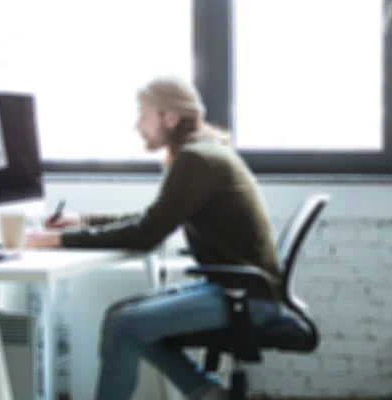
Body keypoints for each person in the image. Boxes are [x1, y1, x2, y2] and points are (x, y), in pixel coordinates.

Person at [25, 76, 282, 400]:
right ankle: (207, 393)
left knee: (124, 325)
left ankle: (205, 392)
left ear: (170, 118)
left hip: (247, 297)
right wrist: (82, 221)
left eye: (143, 116)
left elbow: (147, 234)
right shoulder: (202, 152)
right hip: (239, 288)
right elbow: (153, 220)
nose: (137, 126)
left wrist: (61, 241)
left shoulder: (196, 159)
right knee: (125, 318)